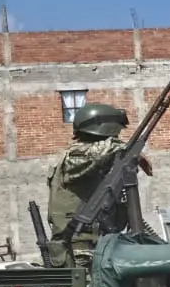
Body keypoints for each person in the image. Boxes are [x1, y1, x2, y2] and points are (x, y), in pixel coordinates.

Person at [45, 102, 151, 268]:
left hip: (97, 246)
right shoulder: (76, 156)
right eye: (114, 135)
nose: (115, 138)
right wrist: (126, 148)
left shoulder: (95, 160)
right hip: (79, 251)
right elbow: (97, 153)